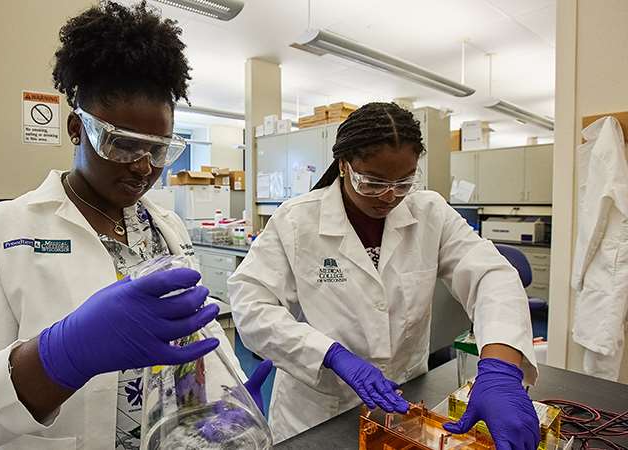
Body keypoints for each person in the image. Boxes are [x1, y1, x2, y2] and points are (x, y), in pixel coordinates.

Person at [0, 3, 270, 449]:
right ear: (77, 128)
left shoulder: (165, 227)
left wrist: (212, 401)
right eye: (122, 144)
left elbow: (180, 355)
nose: (141, 167)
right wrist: (60, 356)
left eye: (158, 151)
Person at [229, 102, 541, 448]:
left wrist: (501, 369)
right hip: (320, 412)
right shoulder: (296, 221)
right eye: (373, 182)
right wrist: (331, 354)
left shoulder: (430, 213)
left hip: (404, 402)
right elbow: (251, 305)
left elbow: (491, 275)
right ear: (344, 166)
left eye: (404, 182)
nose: (390, 196)